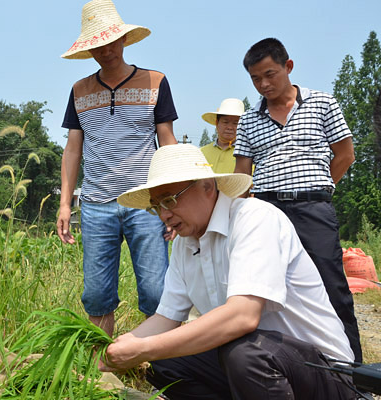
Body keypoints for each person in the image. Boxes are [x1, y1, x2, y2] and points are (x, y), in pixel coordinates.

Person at [100, 143, 358, 400]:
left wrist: (144, 349)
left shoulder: (254, 218)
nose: (164, 215)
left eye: (170, 199)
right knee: (168, 362)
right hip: (260, 369)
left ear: (208, 187)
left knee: (245, 352)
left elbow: (243, 317)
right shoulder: (183, 244)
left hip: (325, 373)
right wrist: (108, 354)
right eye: (156, 206)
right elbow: (165, 319)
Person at [233, 38, 362, 362]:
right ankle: (282, 366)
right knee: (266, 290)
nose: (263, 84)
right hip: (265, 209)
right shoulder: (248, 120)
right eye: (255, 79)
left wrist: (318, 188)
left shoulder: (322, 103)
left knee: (332, 287)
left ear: (288, 67)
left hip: (312, 208)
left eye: (270, 74)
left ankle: (354, 376)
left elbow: (345, 155)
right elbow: (242, 176)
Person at [57, 0, 178, 336]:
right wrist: (66, 204)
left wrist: (173, 198)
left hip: (146, 203)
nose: (106, 50)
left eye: (111, 41)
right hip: (97, 205)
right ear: (90, 49)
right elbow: (72, 149)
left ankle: (159, 369)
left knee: (156, 292)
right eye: (97, 44)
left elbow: (167, 141)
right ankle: (103, 374)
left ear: (124, 39)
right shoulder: (80, 90)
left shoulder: (155, 82)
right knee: (97, 295)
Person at [200, 98, 245, 173]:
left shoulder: (246, 153)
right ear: (217, 123)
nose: (230, 127)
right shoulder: (201, 153)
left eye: (235, 123)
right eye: (225, 122)